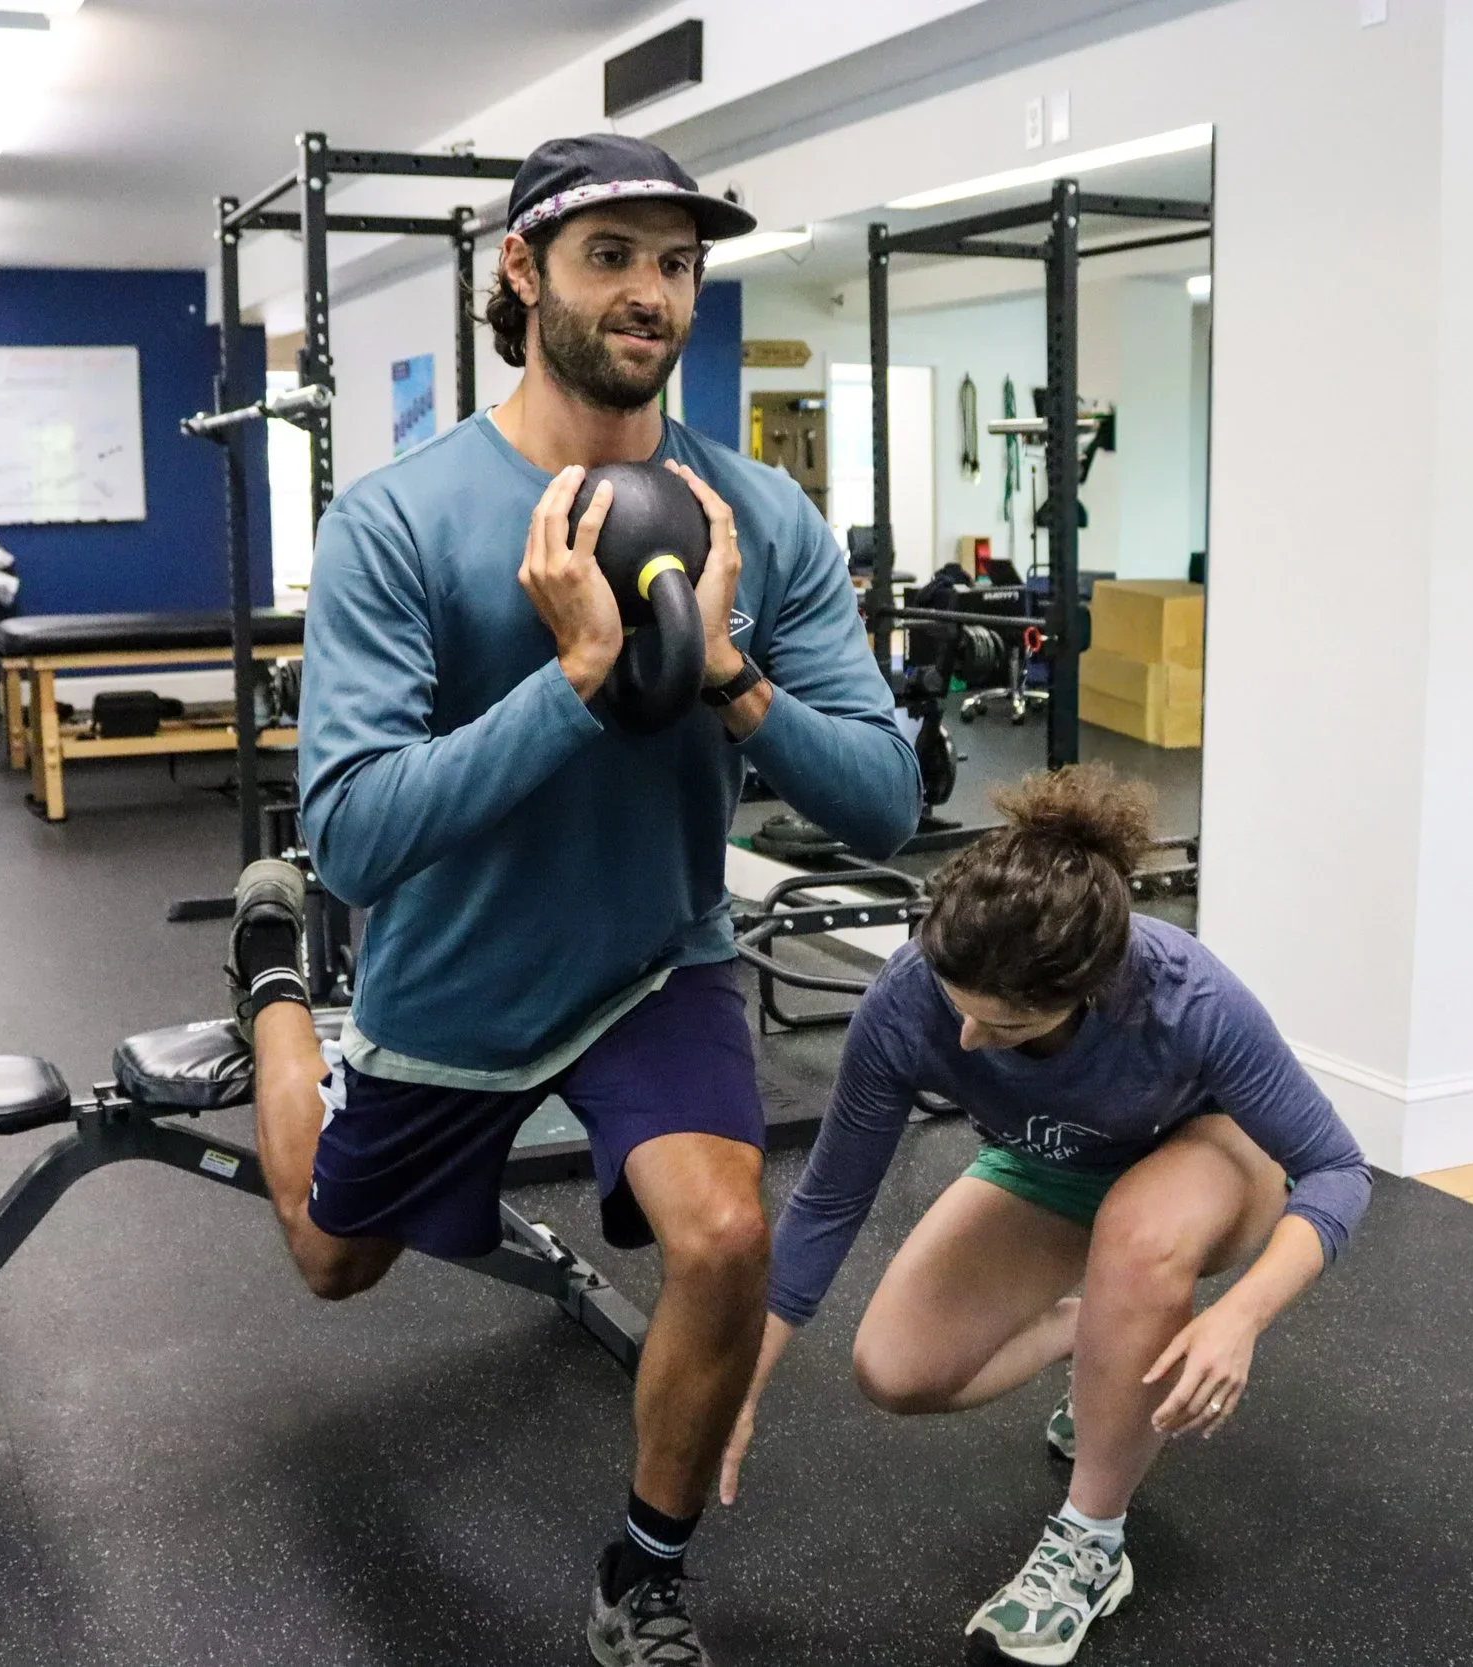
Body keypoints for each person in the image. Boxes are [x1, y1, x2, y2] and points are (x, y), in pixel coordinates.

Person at [225, 132, 922, 1666]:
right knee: (331, 1260)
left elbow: (886, 800)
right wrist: (583, 685)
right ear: (523, 273)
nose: (651, 294)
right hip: (455, 972)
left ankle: (644, 1571)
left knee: (725, 1231)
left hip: (650, 954)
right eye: (612, 255)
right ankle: (271, 977)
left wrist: (728, 678)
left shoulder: (763, 521)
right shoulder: (398, 520)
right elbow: (349, 833)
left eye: (676, 263)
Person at [723, 766, 1370, 1666]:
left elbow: (1336, 1170)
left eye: (1007, 1029)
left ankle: (1092, 1543)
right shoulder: (912, 995)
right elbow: (832, 1195)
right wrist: (738, 1381)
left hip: (1207, 1162)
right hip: (1056, 1159)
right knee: (895, 1368)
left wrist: (1240, 1315)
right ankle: (1101, 1337)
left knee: (1141, 1237)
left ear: (1088, 990)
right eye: (960, 1009)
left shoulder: (1187, 997)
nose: (968, 1043)